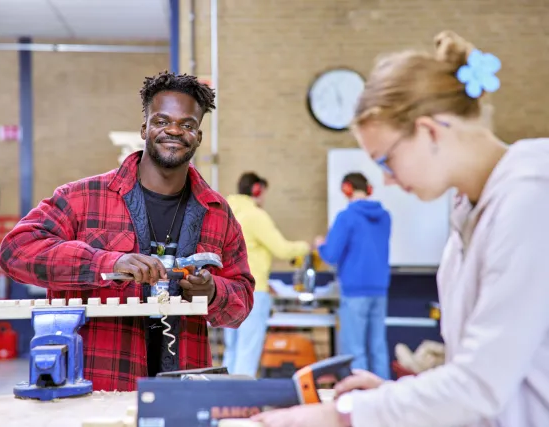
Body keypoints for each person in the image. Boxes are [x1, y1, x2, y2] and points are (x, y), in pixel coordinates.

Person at [253, 30, 549, 426]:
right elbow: (479, 369)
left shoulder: (531, 198)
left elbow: (480, 387)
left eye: (387, 161)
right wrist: (393, 396)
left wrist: (338, 416)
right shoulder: (467, 210)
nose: (388, 180)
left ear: (429, 131)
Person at [0, 71, 255, 392]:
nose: (174, 130)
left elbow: (242, 301)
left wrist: (213, 292)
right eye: (162, 121)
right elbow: (15, 252)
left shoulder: (216, 212)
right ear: (144, 128)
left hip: (182, 390)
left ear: (198, 136)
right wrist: (107, 263)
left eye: (187, 124)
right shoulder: (82, 198)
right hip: (96, 388)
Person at [223, 172, 311, 377]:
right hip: (252, 291)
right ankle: (242, 403)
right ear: (257, 190)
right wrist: (305, 247)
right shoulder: (255, 216)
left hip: (228, 291)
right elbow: (282, 249)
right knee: (248, 350)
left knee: (232, 350)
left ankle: (224, 398)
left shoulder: (227, 213)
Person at [314, 172, 391, 380]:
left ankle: (360, 399)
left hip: (355, 290)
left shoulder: (346, 217)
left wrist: (321, 244)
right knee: (378, 347)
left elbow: (331, 255)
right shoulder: (385, 217)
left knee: (355, 351)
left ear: (347, 189)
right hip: (380, 288)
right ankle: (383, 396)